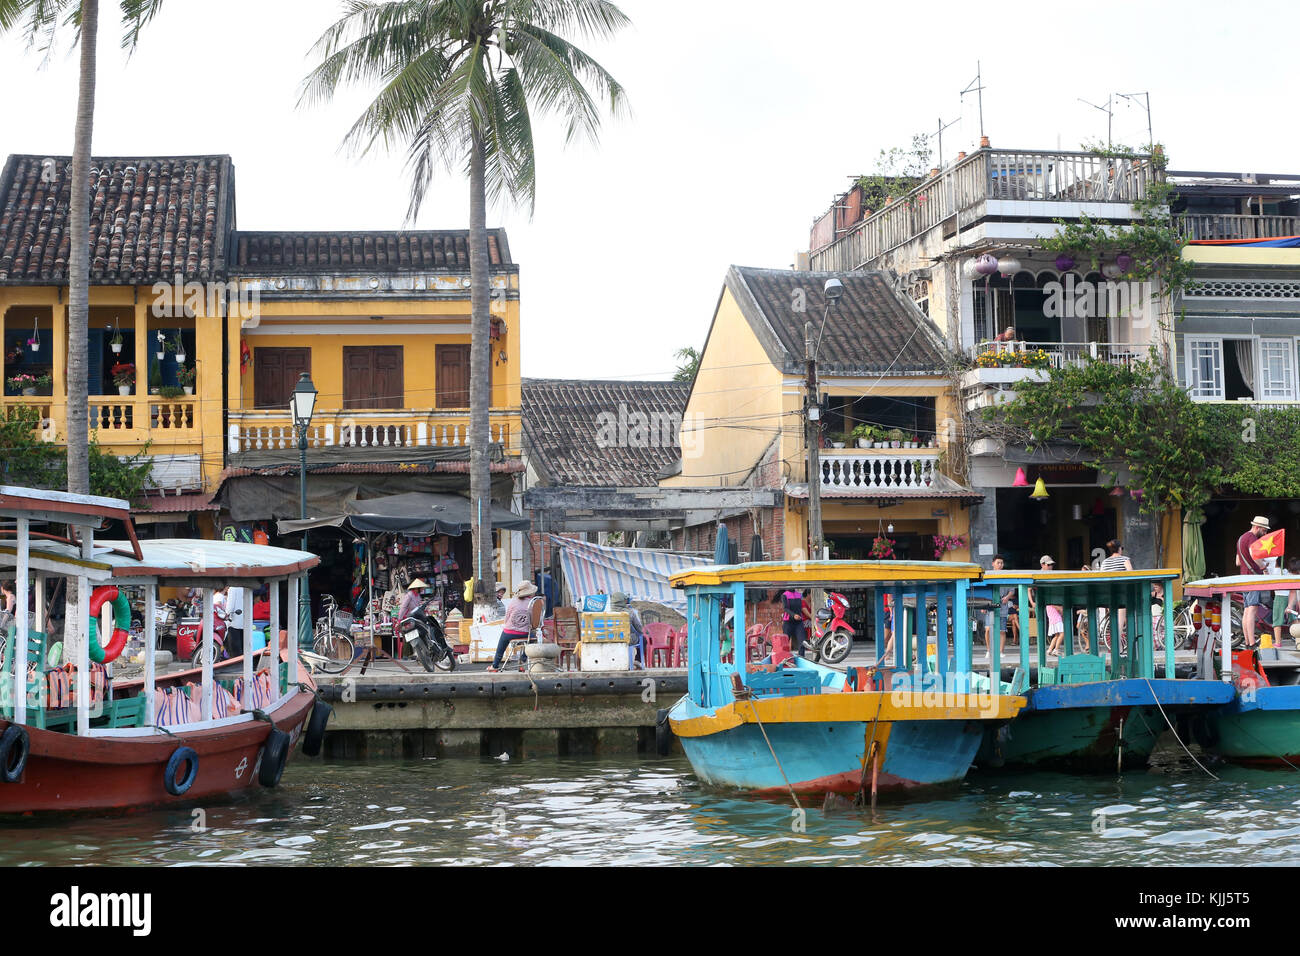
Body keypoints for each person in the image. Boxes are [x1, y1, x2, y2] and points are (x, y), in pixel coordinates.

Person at [488, 582, 543, 673]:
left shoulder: (513, 601)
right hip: (526, 633)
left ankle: (495, 666)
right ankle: (523, 659)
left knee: (501, 647)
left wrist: (508, 626)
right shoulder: (533, 603)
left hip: (509, 632)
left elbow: (507, 617)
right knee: (533, 638)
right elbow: (536, 622)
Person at [1237, 516, 1272, 648]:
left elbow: (1237, 561)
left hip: (1244, 577)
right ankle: (1251, 643)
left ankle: (1247, 641)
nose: (1265, 533)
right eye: (1264, 530)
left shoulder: (1241, 539)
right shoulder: (1251, 538)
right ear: (1257, 527)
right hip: (1253, 577)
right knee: (1252, 609)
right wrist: (1263, 567)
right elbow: (1254, 555)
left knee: (1247, 610)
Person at [1035, 555, 1066, 658]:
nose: (1050, 567)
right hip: (1051, 607)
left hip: (1051, 608)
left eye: (1051, 565)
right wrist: (1032, 601)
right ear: (1042, 565)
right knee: (1062, 632)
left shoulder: (1052, 575)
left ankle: (1049, 650)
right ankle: (1056, 649)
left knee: (1057, 634)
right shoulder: (1039, 576)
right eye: (1048, 565)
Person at [609, 592, 646, 668]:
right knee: (644, 640)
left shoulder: (606, 612)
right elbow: (639, 628)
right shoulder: (629, 612)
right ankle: (637, 661)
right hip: (626, 638)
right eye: (625, 600)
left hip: (609, 638)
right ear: (622, 601)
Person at [1272, 558, 1300, 648]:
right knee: (1294, 619)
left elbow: (1266, 575)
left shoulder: (1276, 571)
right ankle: (1298, 641)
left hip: (1280, 597)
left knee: (1277, 620)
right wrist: (1290, 605)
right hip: (1290, 597)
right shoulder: (1288, 573)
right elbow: (1293, 592)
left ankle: (1277, 642)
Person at [781, 588, 810, 659]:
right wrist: (793, 615)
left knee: (802, 642)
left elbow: (801, 606)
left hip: (798, 622)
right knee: (785, 642)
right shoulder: (785, 595)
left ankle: (801, 659)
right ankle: (784, 659)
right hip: (788, 622)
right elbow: (785, 608)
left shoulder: (799, 595)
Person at [225, 584, 247, 658]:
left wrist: (226, 613)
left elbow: (230, 607)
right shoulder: (245, 587)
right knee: (243, 647)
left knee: (234, 649)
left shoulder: (233, 588)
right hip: (245, 621)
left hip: (234, 621)